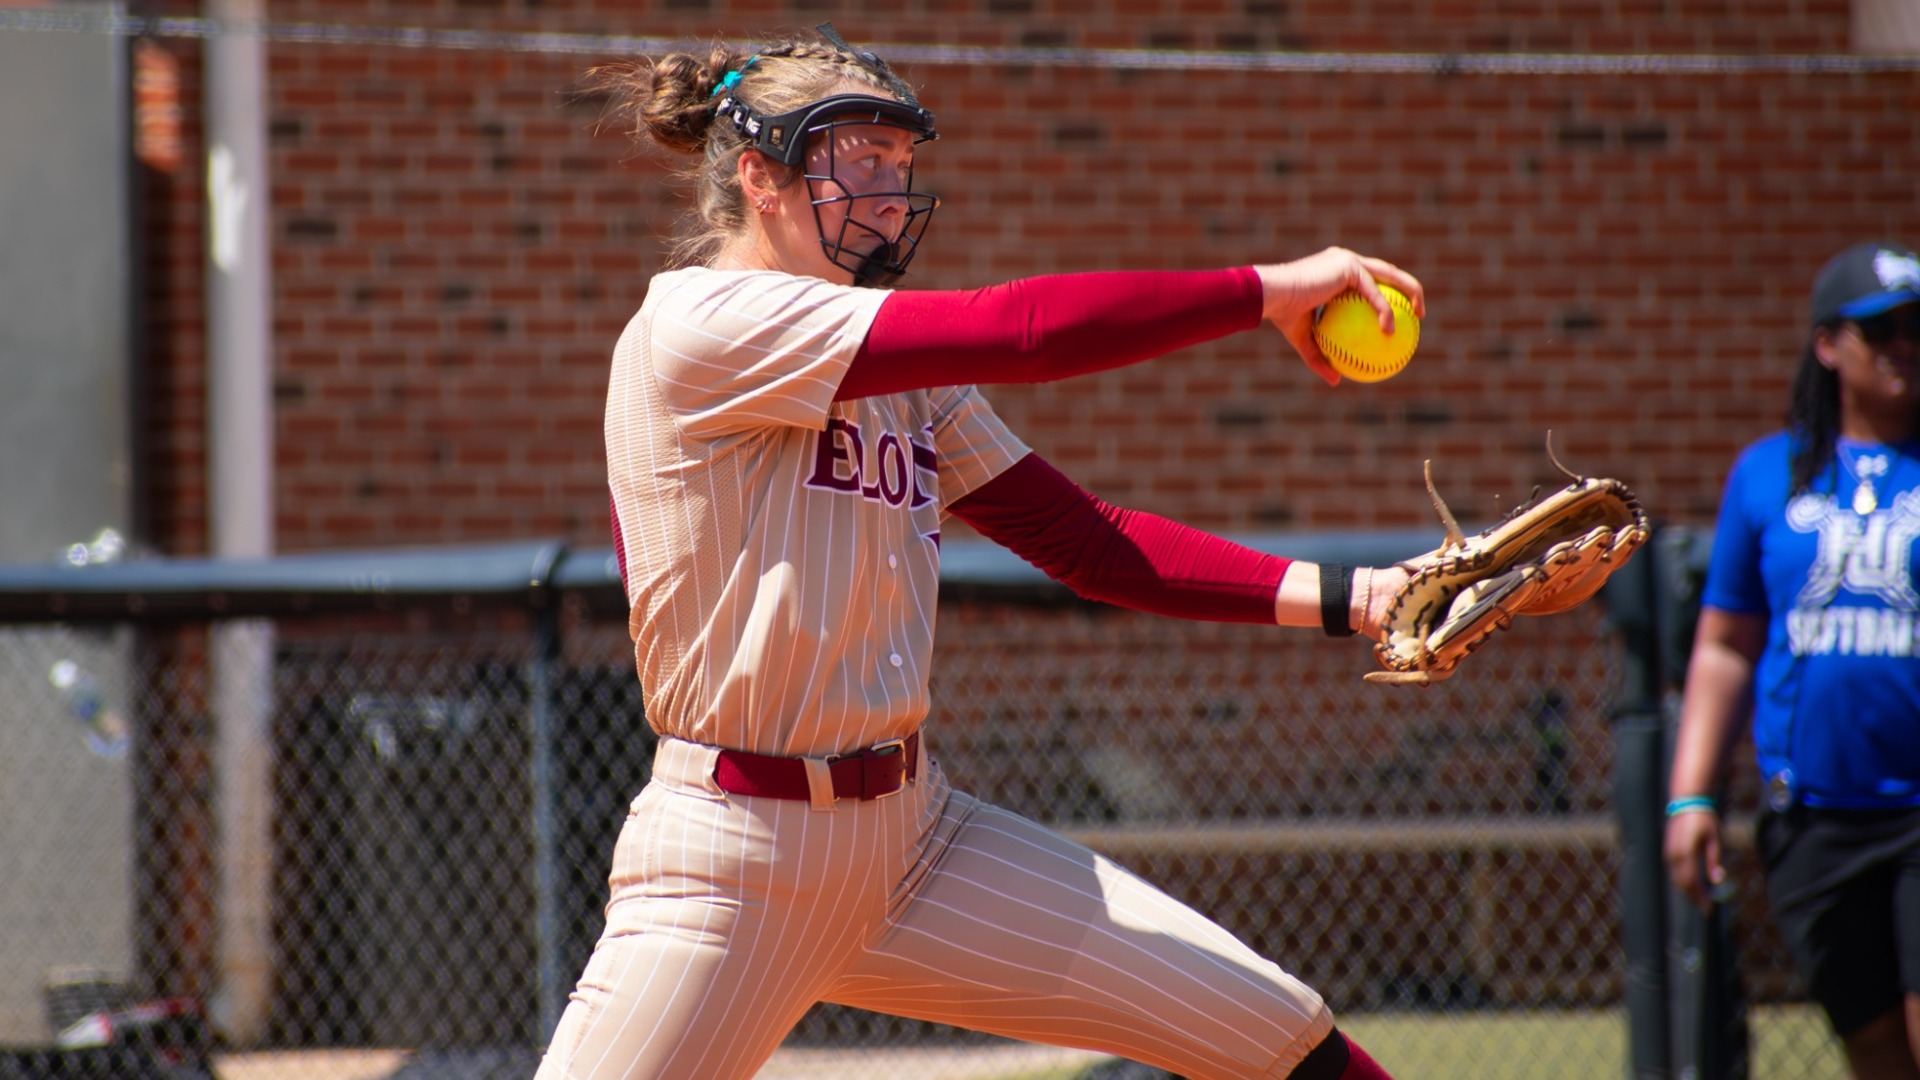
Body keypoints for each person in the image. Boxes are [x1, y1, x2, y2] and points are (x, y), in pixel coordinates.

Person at [537, 24, 1423, 1080]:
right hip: (736, 859)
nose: (888, 189)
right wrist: (1264, 289)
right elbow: (1024, 332)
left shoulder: (888, 361)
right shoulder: (703, 323)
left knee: (1280, 1036)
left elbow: (1085, 542)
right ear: (758, 176)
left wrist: (1364, 598)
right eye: (856, 157)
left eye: (900, 163)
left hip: (915, 845)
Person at [1665, 239, 1920, 1079]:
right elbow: (1727, 643)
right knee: (1877, 1049)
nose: (1904, 346)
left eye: (1917, 328)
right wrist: (1693, 792)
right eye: (1880, 330)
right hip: (1812, 818)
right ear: (1827, 345)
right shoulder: (1767, 475)